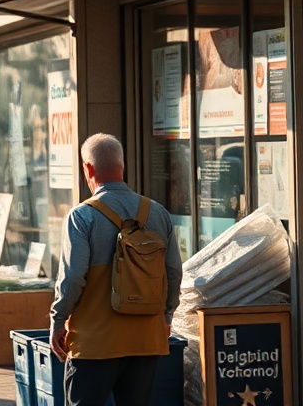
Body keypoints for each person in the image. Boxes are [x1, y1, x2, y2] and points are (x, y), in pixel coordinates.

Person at [49, 133, 182, 406]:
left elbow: (73, 277)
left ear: (88, 169)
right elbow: (174, 273)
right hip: (146, 340)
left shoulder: (82, 216)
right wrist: (166, 316)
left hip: (95, 344)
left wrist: (58, 320)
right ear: (122, 167)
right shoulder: (158, 213)